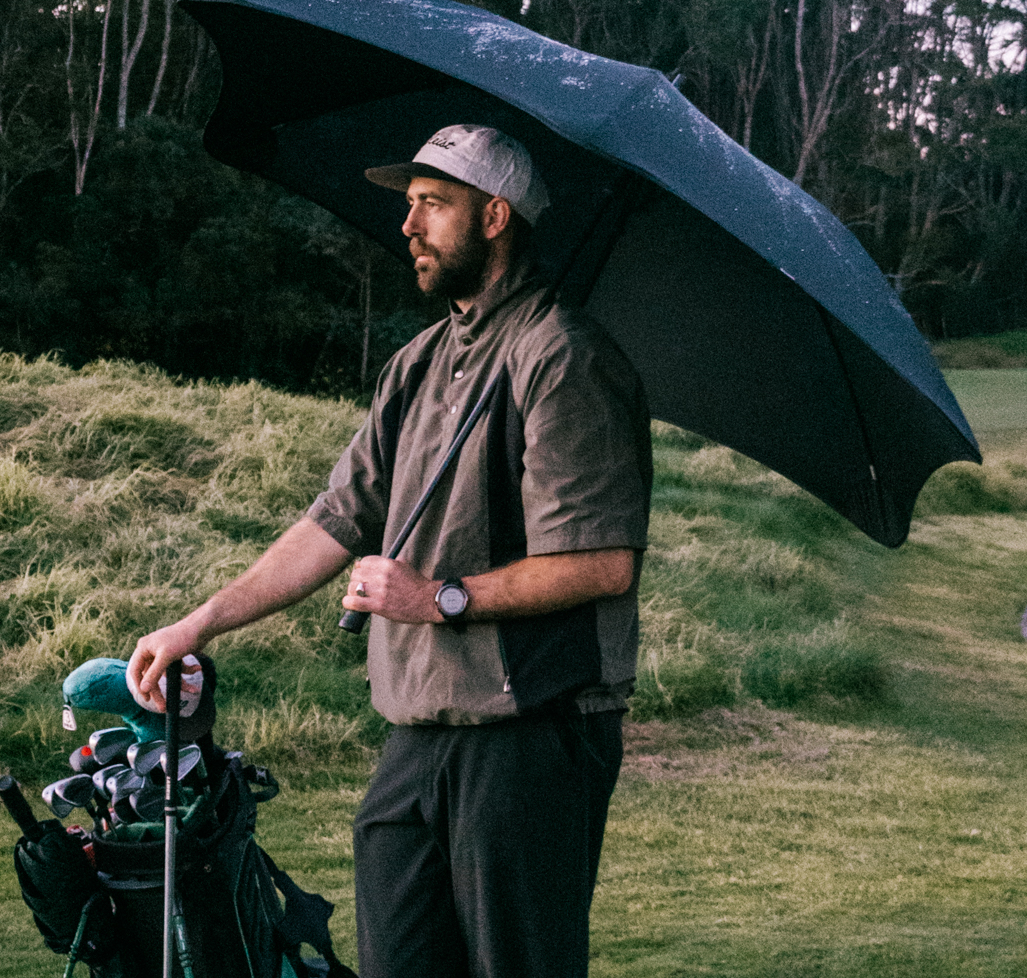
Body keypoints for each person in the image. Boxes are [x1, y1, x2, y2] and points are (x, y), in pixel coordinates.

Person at [127, 123, 651, 978]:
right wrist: (200, 622)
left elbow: (602, 563)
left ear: (495, 216)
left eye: (432, 205)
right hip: (420, 727)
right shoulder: (418, 364)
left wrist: (438, 597)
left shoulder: (562, 357)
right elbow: (335, 519)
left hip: (530, 729)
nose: (407, 226)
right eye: (408, 205)